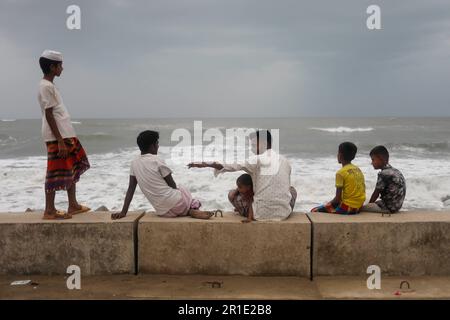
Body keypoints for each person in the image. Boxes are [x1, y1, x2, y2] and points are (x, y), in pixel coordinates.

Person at [188, 130, 297, 223]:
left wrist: (207, 164)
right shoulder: (285, 161)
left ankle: (242, 210)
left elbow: (231, 165)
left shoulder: (256, 159)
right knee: (292, 190)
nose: (252, 149)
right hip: (284, 214)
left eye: (254, 145)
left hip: (258, 215)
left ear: (264, 143)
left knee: (231, 194)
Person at [111, 130, 217, 220]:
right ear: (152, 146)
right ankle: (192, 209)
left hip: (163, 212)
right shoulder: (157, 160)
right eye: (157, 143)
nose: (158, 146)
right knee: (182, 189)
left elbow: (131, 188)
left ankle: (188, 211)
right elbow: (172, 185)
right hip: (177, 204)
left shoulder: (134, 163)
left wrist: (123, 212)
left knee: (177, 196)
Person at [37, 50, 90, 220]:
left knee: (71, 166)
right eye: (60, 65)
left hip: (66, 133)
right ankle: (49, 210)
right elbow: (49, 114)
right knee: (54, 171)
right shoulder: (45, 86)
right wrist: (59, 140)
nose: (62, 68)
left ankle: (72, 204)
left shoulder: (50, 86)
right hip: (57, 136)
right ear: (52, 67)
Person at [311, 142, 365, 214]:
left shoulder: (340, 173)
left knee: (314, 211)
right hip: (359, 207)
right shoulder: (358, 169)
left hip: (348, 208)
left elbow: (337, 199)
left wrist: (327, 204)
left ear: (340, 155)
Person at [361, 145, 406, 213]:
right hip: (396, 206)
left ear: (380, 158)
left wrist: (369, 205)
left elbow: (376, 194)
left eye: (373, 159)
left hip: (388, 207)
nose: (371, 163)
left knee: (361, 209)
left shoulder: (384, 174)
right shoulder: (396, 171)